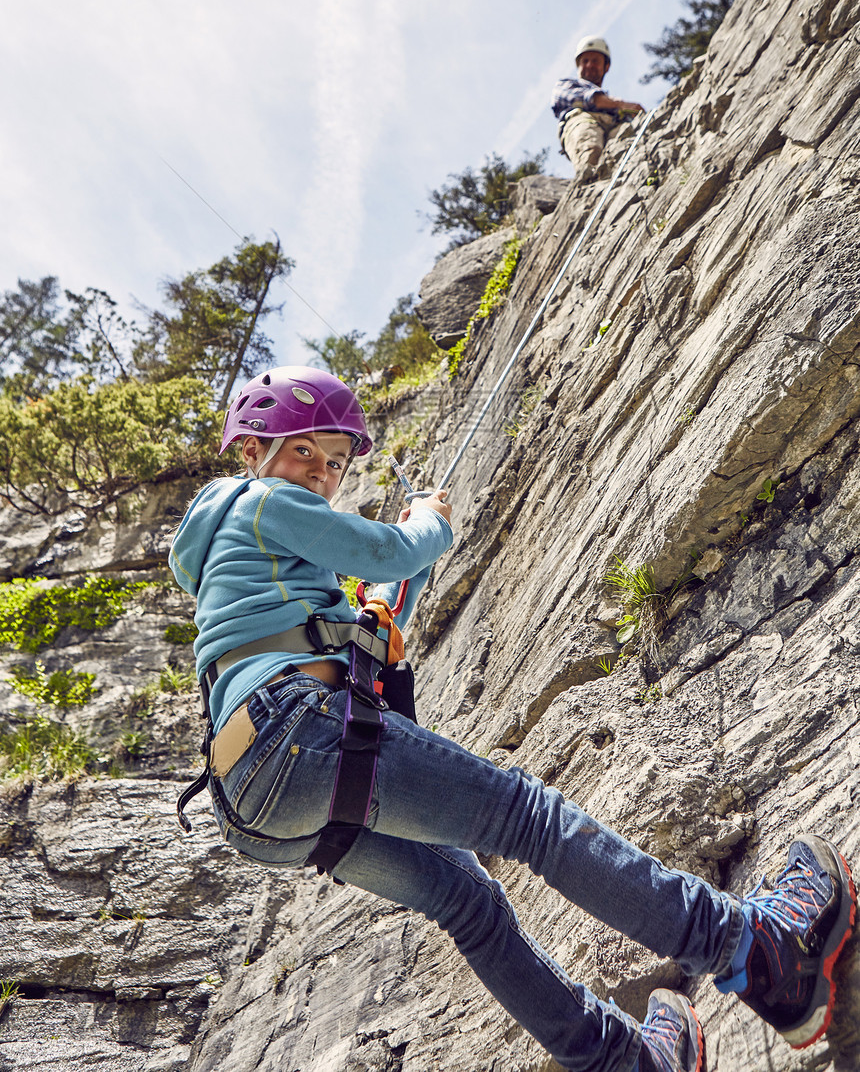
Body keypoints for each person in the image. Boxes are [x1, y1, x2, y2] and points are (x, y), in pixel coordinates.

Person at [170, 365, 856, 1072]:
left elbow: (364, 625)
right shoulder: (253, 501)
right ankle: (757, 949)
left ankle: (623, 1061)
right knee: (530, 819)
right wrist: (427, 524)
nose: (320, 474)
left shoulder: (244, 571)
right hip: (299, 734)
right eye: (303, 450)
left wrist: (389, 595)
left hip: (255, 801)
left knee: (467, 904)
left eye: (336, 463)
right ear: (252, 450)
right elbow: (387, 550)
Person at [552, 36, 645, 182]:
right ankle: (588, 183)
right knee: (591, 147)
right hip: (580, 122)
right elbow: (592, 99)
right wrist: (621, 105)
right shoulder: (565, 85)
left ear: (606, 67)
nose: (589, 65)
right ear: (578, 65)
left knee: (627, 141)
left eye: (595, 61)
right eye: (585, 61)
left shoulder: (612, 106)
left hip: (611, 127)